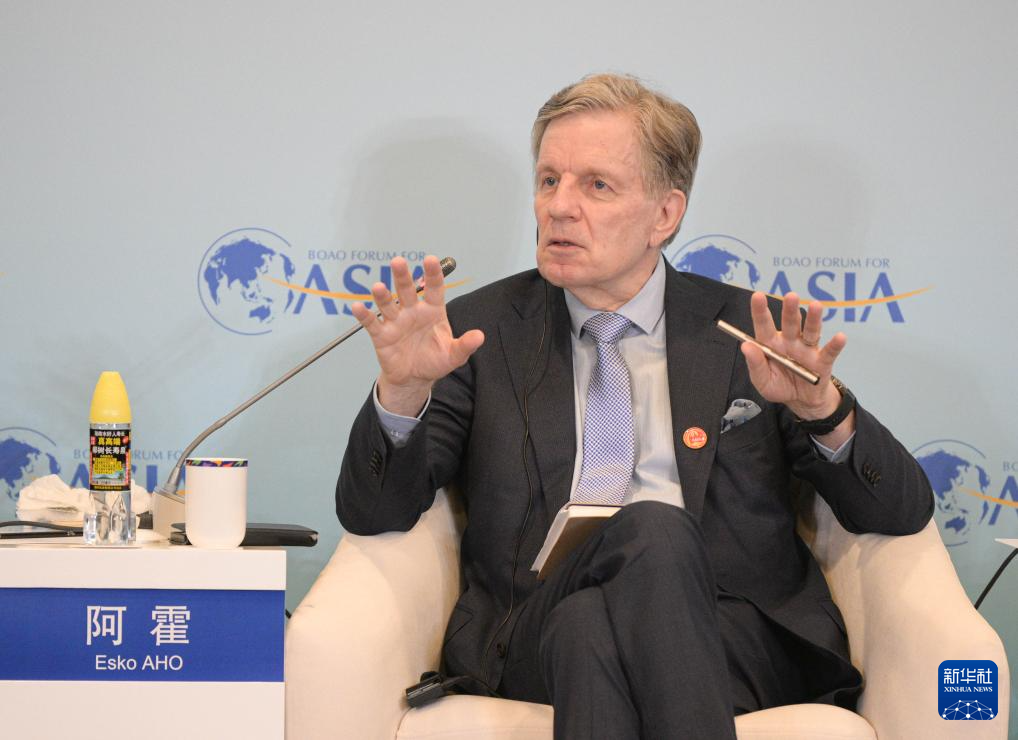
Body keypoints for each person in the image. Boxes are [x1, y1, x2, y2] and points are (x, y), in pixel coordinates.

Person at [337, 73, 933, 739]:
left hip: (733, 629)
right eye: (548, 180)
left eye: (597, 185)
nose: (559, 207)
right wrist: (402, 393)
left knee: (590, 628)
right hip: (531, 621)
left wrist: (823, 409)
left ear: (665, 215)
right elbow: (374, 513)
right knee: (650, 532)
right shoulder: (479, 332)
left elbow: (899, 511)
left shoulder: (747, 331)